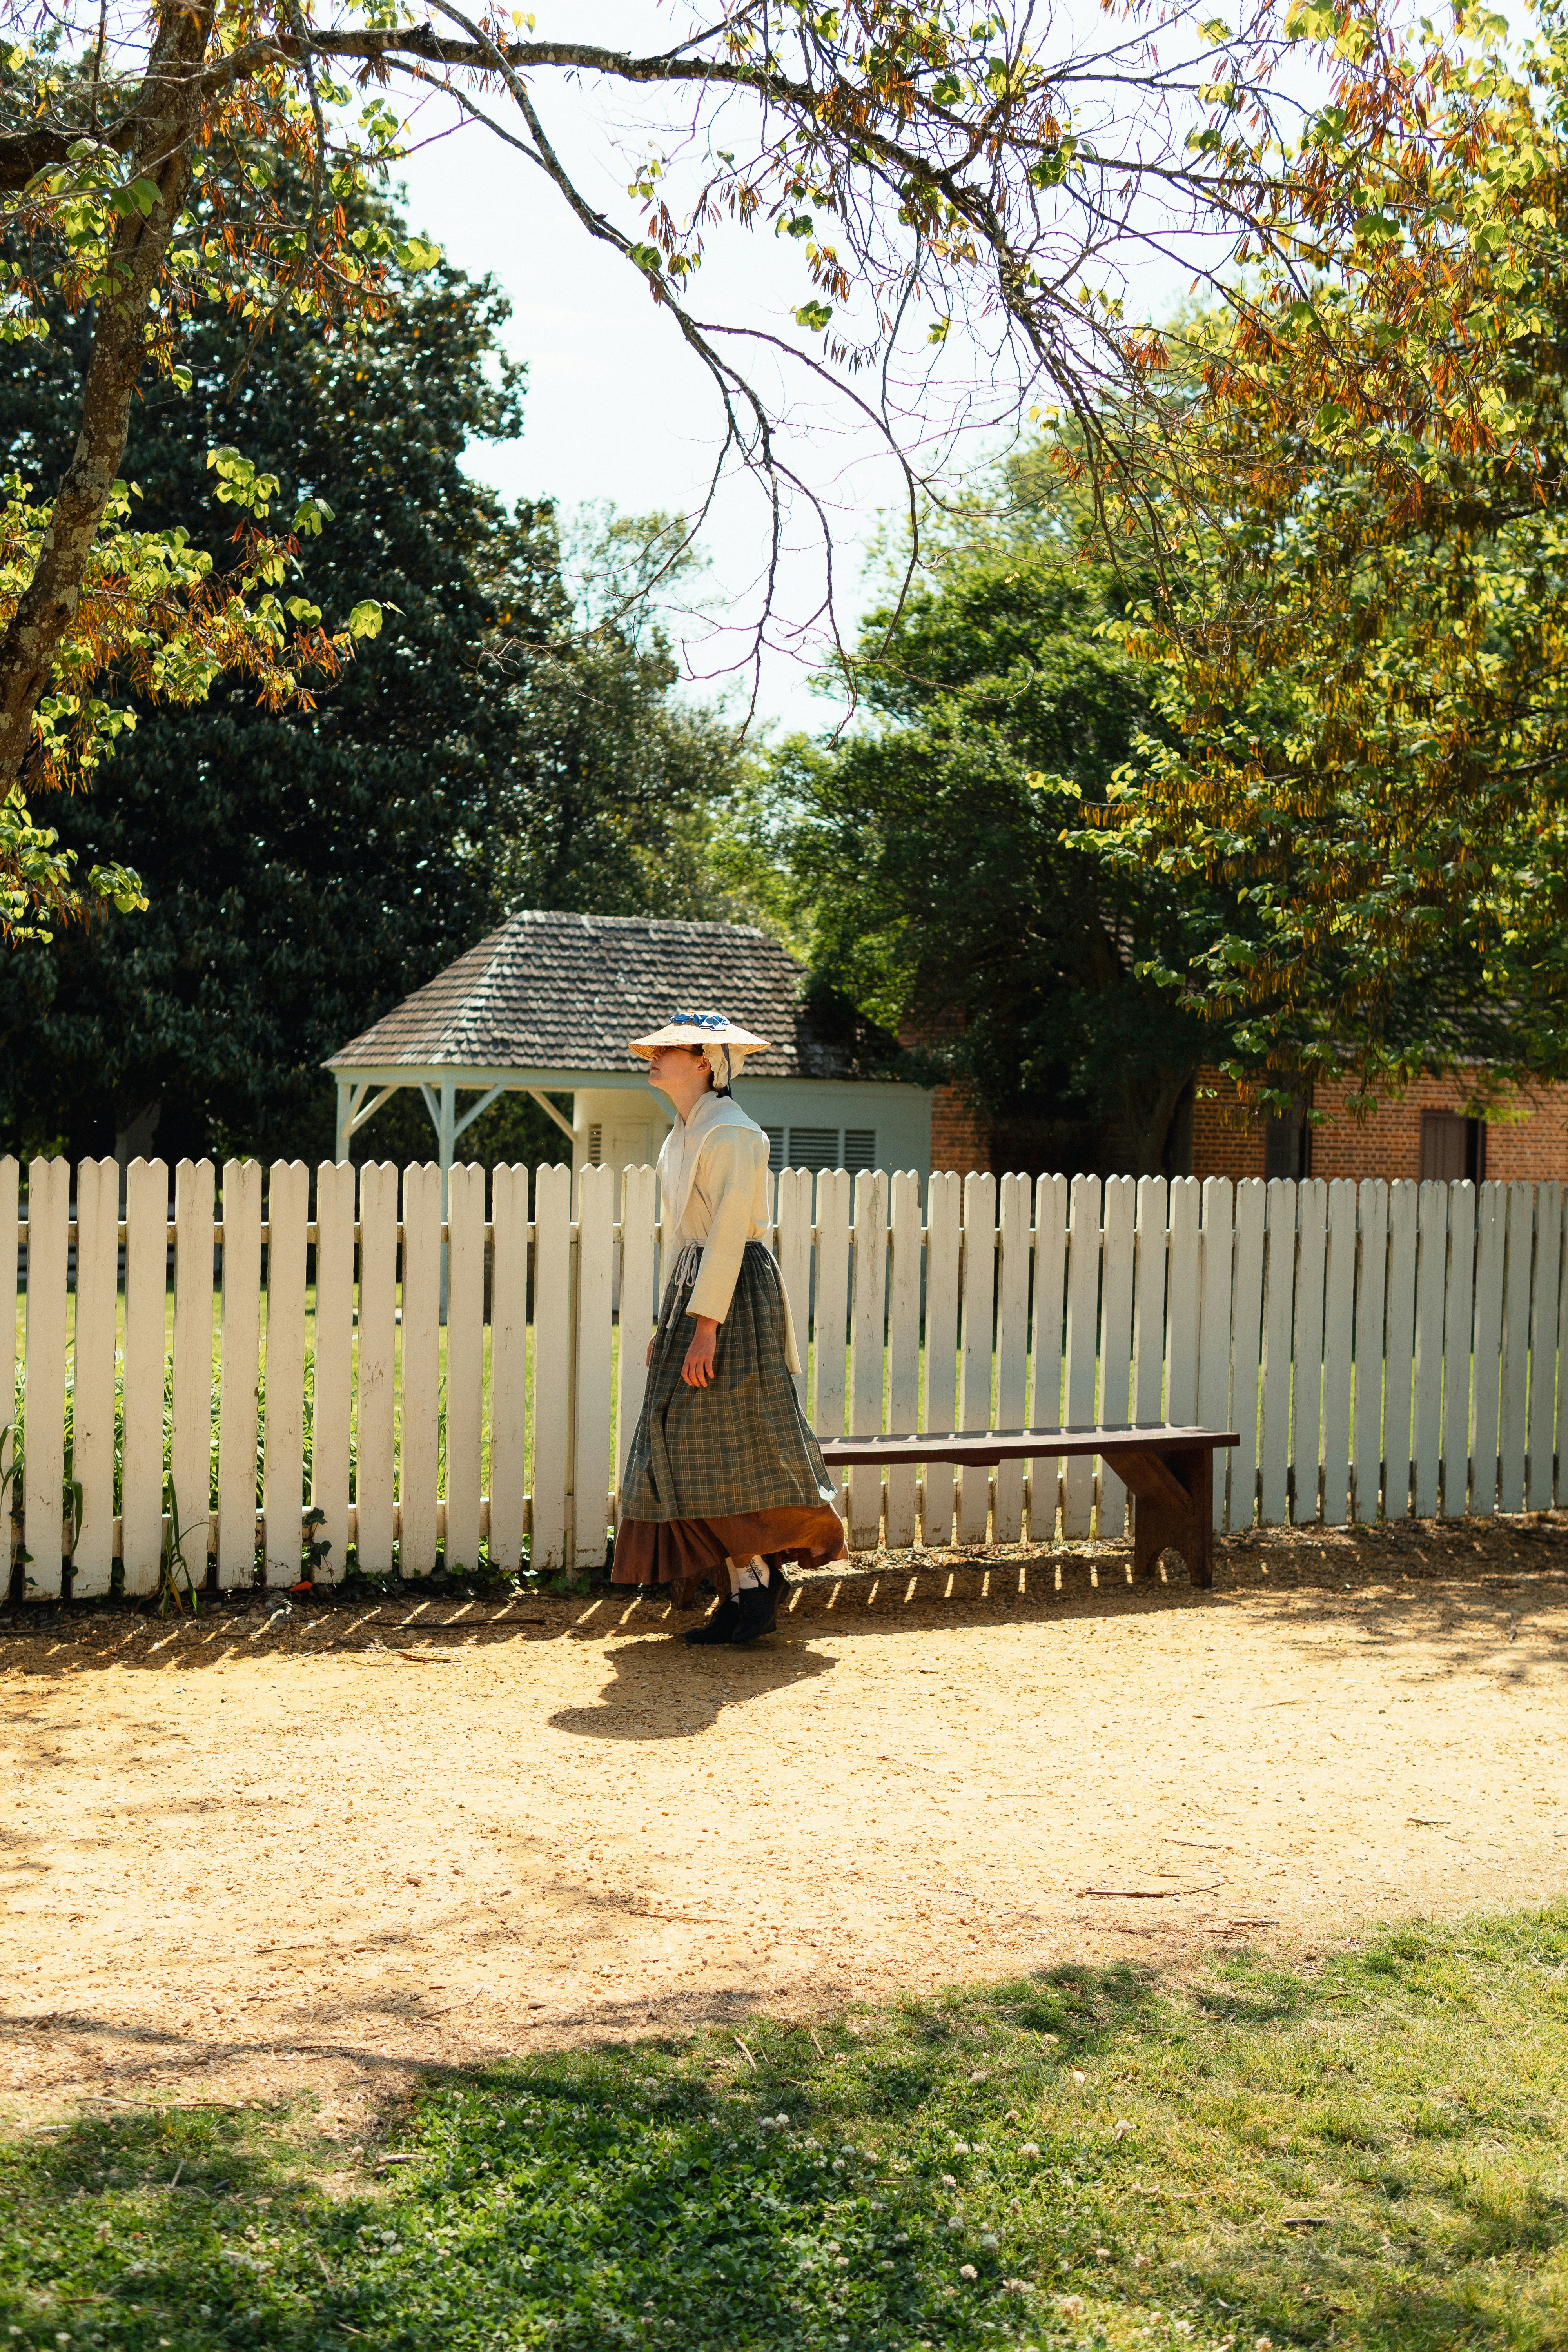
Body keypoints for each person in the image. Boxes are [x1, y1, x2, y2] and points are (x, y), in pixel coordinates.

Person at [614, 1011, 848, 1643]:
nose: (653, 1060)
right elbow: (685, 1239)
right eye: (653, 1052)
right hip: (696, 1291)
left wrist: (707, 1326)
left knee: (731, 1446)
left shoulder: (734, 1135)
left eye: (670, 1052)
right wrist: (672, 1321)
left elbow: (726, 1237)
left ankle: (756, 1587)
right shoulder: (680, 1135)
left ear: (706, 1063)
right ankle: (750, 1583)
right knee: (686, 1449)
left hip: (735, 1294)